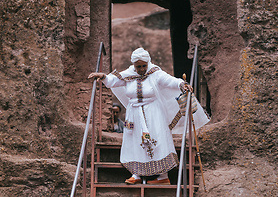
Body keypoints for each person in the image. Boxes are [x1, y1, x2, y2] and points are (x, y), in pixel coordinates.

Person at [88, 47, 209, 185]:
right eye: (138, 66)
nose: (141, 69)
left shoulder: (155, 73)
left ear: (148, 63)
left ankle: (163, 177)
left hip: (153, 113)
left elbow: (170, 80)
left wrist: (182, 84)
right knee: (134, 140)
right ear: (133, 65)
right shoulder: (128, 74)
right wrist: (103, 76)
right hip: (134, 114)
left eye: (143, 66)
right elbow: (112, 81)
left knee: (157, 139)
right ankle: (136, 174)